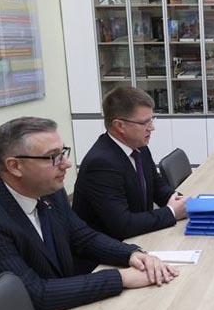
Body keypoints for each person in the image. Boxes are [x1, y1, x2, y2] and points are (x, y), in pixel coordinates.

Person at [0, 117, 178, 310]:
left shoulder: (48, 189)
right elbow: (33, 295)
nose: (66, 164)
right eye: (53, 157)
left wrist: (133, 254)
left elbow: (82, 237)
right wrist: (120, 277)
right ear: (15, 166)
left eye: (63, 152)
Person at [72, 87, 187, 241]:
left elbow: (157, 186)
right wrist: (171, 212)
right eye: (144, 122)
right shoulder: (101, 164)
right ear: (119, 125)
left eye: (152, 119)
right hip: (110, 248)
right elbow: (123, 225)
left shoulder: (139, 147)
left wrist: (182, 201)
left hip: (141, 236)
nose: (152, 127)